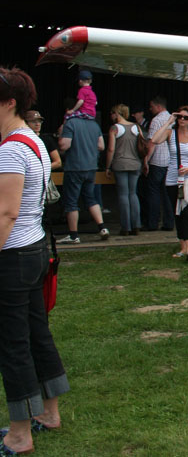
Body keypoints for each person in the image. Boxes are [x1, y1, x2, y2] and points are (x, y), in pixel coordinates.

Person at [0, 66, 68, 456]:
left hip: (14, 256)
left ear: (10, 102)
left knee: (13, 344)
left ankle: (19, 434)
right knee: (37, 335)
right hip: (35, 251)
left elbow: (6, 214)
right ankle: (48, 413)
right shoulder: (33, 140)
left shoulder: (11, 148)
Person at [150, 105, 188, 262]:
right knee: (178, 213)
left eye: (186, 117)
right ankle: (182, 246)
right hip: (172, 179)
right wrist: (169, 121)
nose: (182, 120)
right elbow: (154, 139)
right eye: (180, 117)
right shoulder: (170, 133)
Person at [57, 109, 109, 244]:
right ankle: (102, 228)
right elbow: (101, 146)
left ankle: (74, 236)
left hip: (74, 167)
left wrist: (61, 135)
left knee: (71, 202)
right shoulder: (94, 124)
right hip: (91, 167)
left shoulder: (70, 123)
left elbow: (64, 145)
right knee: (90, 198)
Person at [105, 104, 143, 236]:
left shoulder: (115, 128)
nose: (111, 116)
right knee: (133, 194)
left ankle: (125, 227)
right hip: (135, 164)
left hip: (120, 164)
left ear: (117, 113)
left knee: (123, 195)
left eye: (112, 113)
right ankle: (136, 225)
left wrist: (108, 166)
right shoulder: (136, 127)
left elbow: (111, 149)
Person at [144, 96, 175, 232]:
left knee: (154, 193)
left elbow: (152, 143)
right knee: (167, 194)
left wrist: (146, 159)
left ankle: (153, 223)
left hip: (157, 161)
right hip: (170, 161)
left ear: (158, 106)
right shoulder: (173, 120)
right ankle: (169, 223)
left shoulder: (156, 121)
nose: (150, 109)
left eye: (151, 107)